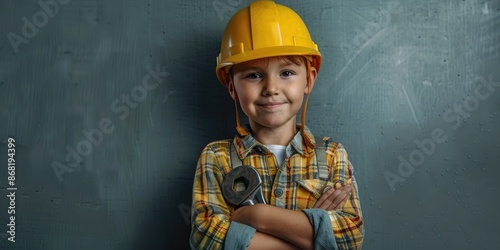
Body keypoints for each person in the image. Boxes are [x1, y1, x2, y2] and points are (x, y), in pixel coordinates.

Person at [190, 1, 364, 249]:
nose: (271, 88)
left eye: (286, 73)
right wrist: (310, 235)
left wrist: (256, 216)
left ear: (309, 79)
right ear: (232, 87)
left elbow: (350, 237)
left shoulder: (332, 156)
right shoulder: (217, 158)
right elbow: (207, 238)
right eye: (254, 75)